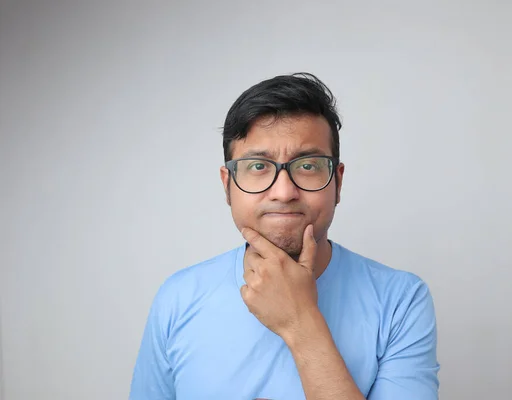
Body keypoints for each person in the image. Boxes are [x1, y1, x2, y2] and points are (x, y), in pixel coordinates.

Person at [129, 73, 440, 400]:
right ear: (227, 185)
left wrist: (300, 324)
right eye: (258, 166)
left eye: (307, 166)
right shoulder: (177, 298)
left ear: (338, 182)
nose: (284, 191)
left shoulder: (401, 301)